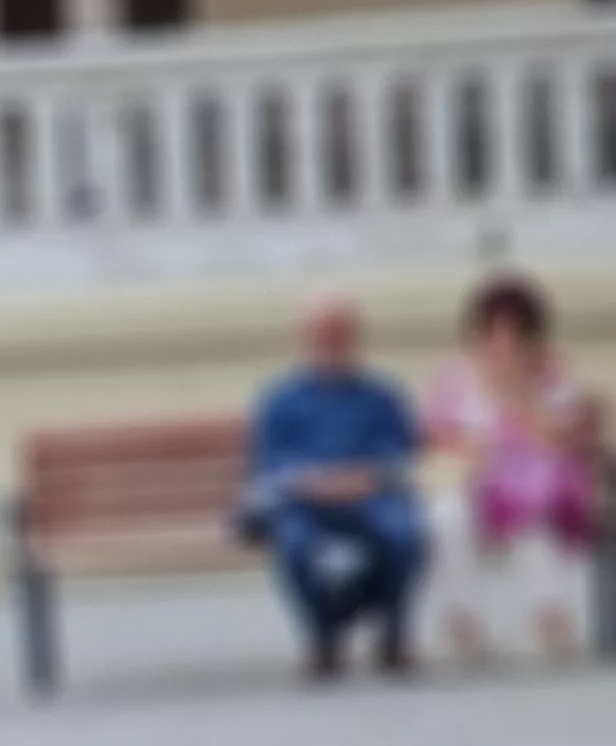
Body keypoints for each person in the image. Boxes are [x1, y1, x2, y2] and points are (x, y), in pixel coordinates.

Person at [423, 272, 606, 663]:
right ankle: (462, 623)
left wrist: (520, 392)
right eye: (493, 331)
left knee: (533, 511)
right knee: (446, 515)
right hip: (474, 480)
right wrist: (480, 449)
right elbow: (439, 437)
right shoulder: (456, 374)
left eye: (515, 332)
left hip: (535, 482)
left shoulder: (552, 371)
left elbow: (561, 437)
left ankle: (550, 619)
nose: (502, 341)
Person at [244, 294, 427, 678]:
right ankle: (322, 640)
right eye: (321, 336)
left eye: (339, 335)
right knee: (294, 540)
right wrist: (313, 483)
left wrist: (365, 478)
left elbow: (400, 455)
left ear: (354, 339)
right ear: (305, 340)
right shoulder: (281, 400)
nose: (330, 343)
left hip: (371, 496)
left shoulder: (381, 395)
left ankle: (394, 633)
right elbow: (272, 465)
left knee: (404, 532)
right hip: (308, 502)